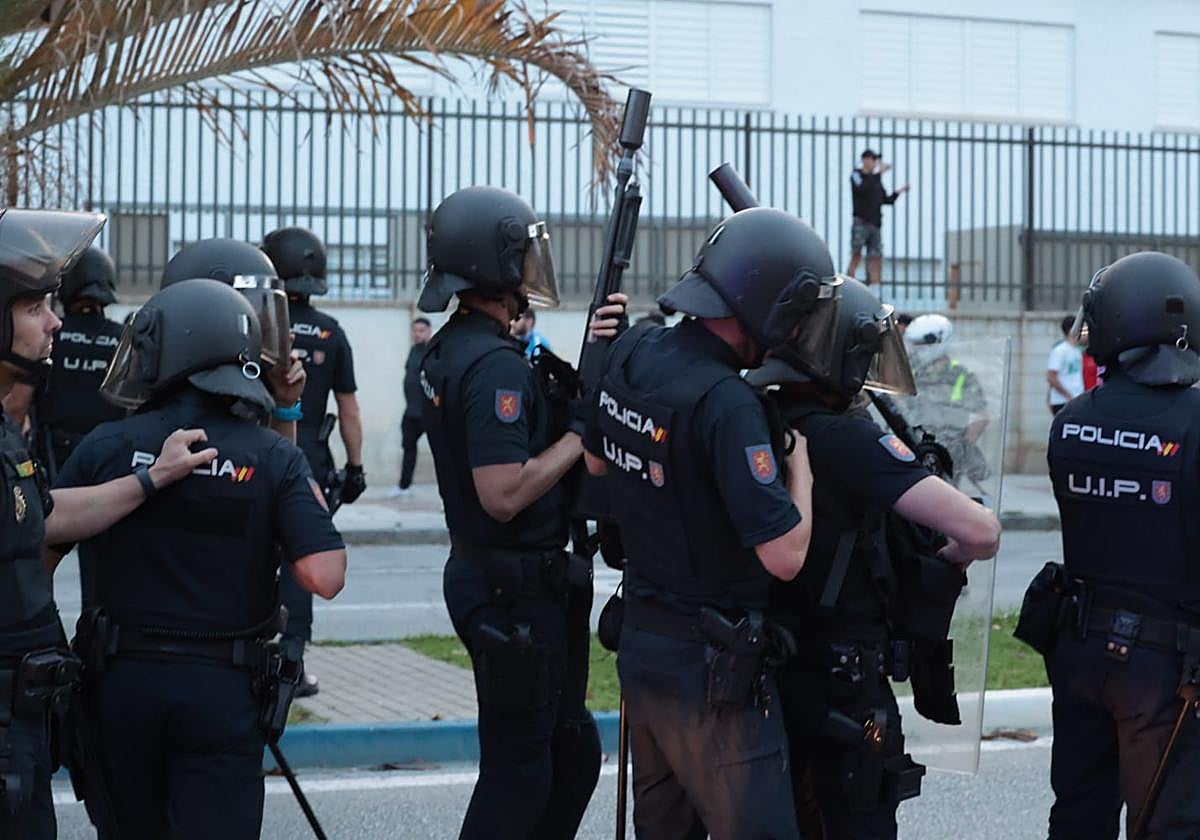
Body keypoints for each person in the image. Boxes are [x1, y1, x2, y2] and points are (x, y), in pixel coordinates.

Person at [54, 277, 346, 839]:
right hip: (223, 691)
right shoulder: (272, 456)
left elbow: (40, 546)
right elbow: (325, 575)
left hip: (120, 685)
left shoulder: (106, 445)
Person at [583, 207, 833, 839]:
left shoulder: (635, 347)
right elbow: (784, 556)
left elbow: (595, 460)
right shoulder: (728, 403)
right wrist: (800, 472)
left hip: (644, 647)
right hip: (712, 676)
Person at [747, 277, 1002, 840]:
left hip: (771, 663)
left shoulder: (755, 415)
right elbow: (981, 532)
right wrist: (946, 558)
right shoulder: (847, 438)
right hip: (843, 675)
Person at [0, 208, 220, 839]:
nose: (53, 321)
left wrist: (153, 478)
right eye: (34, 307)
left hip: (23, 717)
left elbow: (48, 515)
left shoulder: (6, 434)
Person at [417, 185, 627, 840]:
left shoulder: (454, 347)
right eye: (525, 255)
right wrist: (580, 435)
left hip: (509, 581)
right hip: (512, 591)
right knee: (520, 775)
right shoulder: (492, 366)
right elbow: (503, 492)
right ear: (495, 263)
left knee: (570, 754)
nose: (534, 267)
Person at [1022, 252, 1200, 839]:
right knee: (1169, 823)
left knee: (1078, 815)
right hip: (1166, 666)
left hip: (1079, 649)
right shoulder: (1194, 421)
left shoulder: (1071, 421)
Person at [262, 226, 364, 697]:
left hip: (259, 455)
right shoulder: (331, 332)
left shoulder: (258, 327)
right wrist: (356, 467)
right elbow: (348, 408)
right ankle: (292, 663)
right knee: (301, 561)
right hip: (310, 463)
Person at [1, 246, 124, 477]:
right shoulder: (123, 337)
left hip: (57, 453)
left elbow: (16, 405)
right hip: (110, 452)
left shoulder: (48, 334)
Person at [903, 314, 991, 490]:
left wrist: (962, 449)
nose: (915, 350)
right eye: (914, 344)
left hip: (947, 454)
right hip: (913, 448)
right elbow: (896, 406)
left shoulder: (961, 375)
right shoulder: (909, 373)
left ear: (938, 343)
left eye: (920, 344)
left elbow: (982, 416)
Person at [847, 150, 908, 286]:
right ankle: (849, 285)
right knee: (856, 255)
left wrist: (900, 191)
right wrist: (878, 174)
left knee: (876, 258)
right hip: (861, 223)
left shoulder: (876, 180)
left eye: (875, 160)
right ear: (865, 160)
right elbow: (862, 188)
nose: (874, 163)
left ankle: (875, 290)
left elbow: (886, 199)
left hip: (875, 225)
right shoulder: (856, 175)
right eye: (872, 159)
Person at [394, 316, 432, 496]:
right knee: (408, 449)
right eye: (415, 331)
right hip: (411, 412)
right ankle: (404, 487)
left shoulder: (432, 352)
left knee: (443, 451)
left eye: (421, 331)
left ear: (429, 332)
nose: (417, 334)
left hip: (428, 412)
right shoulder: (413, 351)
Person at [1047, 314, 1085, 415]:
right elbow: (1051, 377)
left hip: (1076, 399)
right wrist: (1067, 395)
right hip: (1062, 401)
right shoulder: (1060, 350)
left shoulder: (1077, 351)